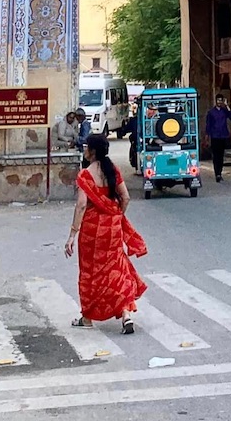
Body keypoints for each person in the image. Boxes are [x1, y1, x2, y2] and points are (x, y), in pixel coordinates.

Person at [64, 133, 147, 334]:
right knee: (116, 269)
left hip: (92, 232)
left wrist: (72, 235)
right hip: (112, 229)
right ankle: (126, 313)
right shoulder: (113, 170)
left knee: (91, 273)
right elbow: (125, 197)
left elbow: (82, 204)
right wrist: (115, 215)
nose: (84, 150)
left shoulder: (85, 175)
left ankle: (87, 318)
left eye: (86, 147)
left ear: (92, 151)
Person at [204, 93, 231, 182]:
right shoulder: (211, 112)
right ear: (216, 101)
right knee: (216, 156)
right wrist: (207, 137)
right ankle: (217, 173)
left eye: (221, 100)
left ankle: (219, 173)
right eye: (218, 100)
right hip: (215, 136)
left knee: (221, 156)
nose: (220, 102)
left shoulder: (224, 111)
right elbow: (208, 125)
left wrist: (227, 106)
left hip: (223, 135)